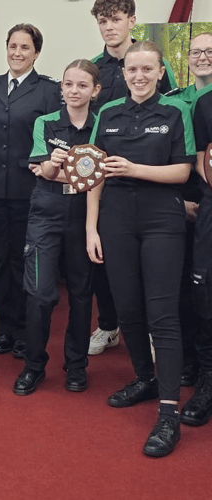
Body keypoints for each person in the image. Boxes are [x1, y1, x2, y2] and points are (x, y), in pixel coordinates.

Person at [86, 41, 195, 457]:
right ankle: (145, 379)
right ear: (124, 72)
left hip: (161, 220)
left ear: (160, 72)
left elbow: (183, 169)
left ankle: (169, 414)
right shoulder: (108, 114)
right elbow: (92, 172)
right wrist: (91, 228)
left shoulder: (174, 112)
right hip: (115, 221)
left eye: (147, 69)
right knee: (127, 309)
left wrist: (134, 169)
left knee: (162, 315)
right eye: (133, 69)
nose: (139, 76)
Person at [87, 0, 177, 355]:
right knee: (104, 259)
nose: (109, 27)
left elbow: (171, 112)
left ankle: (152, 332)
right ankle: (109, 325)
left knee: (149, 266)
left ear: (132, 21)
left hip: (152, 176)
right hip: (104, 176)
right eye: (103, 21)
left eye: (116, 20)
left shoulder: (156, 62)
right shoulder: (94, 67)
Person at [0, 24, 61, 358]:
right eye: (12, 46)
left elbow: (55, 137)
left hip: (29, 189)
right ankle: (4, 328)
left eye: (25, 47)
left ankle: (24, 331)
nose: (17, 53)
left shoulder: (49, 90)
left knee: (24, 262)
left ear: (36, 52)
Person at [13, 60, 101, 396]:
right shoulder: (45, 122)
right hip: (46, 212)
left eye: (81, 85)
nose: (73, 91)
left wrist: (57, 170)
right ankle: (34, 365)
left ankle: (77, 365)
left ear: (95, 91)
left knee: (80, 294)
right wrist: (52, 165)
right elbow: (44, 171)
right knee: (39, 294)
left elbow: (101, 178)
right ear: (61, 89)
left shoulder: (101, 125)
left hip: (85, 215)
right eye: (68, 85)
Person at [165, 32, 212, 386]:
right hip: (182, 201)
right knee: (184, 285)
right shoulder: (175, 101)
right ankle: (189, 360)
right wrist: (181, 202)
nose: (202, 57)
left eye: (210, 51)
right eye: (196, 52)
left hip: (209, 202)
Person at [184, 47, 212, 427]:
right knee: (204, 290)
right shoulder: (203, 105)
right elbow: (199, 160)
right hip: (210, 208)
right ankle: (207, 379)